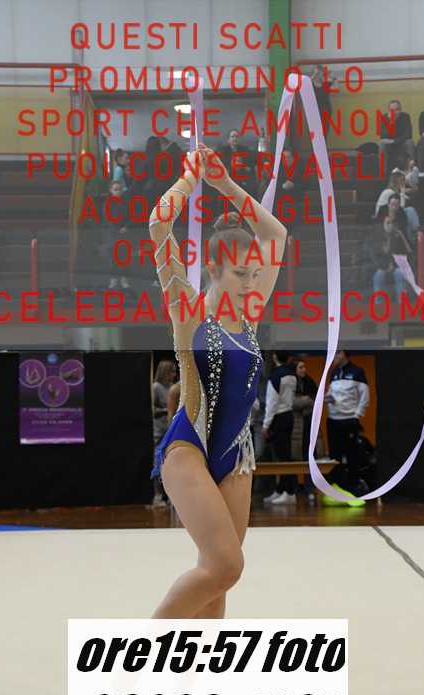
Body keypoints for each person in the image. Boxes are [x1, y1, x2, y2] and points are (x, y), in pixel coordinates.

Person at [148, 142, 287, 619]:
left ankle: (201, 663)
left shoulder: (249, 311)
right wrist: (191, 177)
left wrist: (224, 183)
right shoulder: (187, 310)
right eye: (241, 274)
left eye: (255, 274)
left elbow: (276, 233)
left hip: (236, 457)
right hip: (188, 447)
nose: (251, 283)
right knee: (226, 564)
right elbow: (158, 224)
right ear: (212, 268)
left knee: (219, 577)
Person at [325, 350, 370, 499]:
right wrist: (328, 399)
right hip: (333, 420)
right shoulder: (334, 373)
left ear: (344, 355)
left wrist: (357, 415)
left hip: (349, 420)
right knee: (335, 456)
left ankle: (354, 486)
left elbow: (365, 396)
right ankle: (337, 487)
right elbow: (331, 393)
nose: (335, 357)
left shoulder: (357, 372)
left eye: (338, 353)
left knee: (352, 454)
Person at [261, 352, 298, 505]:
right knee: (285, 454)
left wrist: (266, 425)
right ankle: (281, 489)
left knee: (282, 456)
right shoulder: (292, 375)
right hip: (289, 415)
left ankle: (289, 491)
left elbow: (272, 402)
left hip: (279, 417)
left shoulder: (276, 376)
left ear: (275, 357)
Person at [291, 357, 318, 505]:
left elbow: (315, 400)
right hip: (296, 427)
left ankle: (310, 488)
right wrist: (305, 401)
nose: (304, 370)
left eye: (305, 367)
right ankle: (294, 488)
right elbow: (291, 402)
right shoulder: (291, 382)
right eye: (300, 367)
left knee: (311, 456)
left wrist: (305, 401)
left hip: (309, 424)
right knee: (295, 456)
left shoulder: (309, 382)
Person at [152, 360, 177, 508]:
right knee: (158, 463)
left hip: (172, 431)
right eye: (171, 371)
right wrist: (167, 410)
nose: (174, 375)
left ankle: (172, 497)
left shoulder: (173, 387)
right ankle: (158, 495)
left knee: (172, 463)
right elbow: (152, 410)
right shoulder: (156, 387)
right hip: (160, 431)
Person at [378, 100, 416, 174]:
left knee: (410, 142)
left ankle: (413, 168)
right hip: (390, 146)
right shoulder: (384, 117)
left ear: (400, 110)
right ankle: (383, 172)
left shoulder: (406, 117)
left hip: (402, 144)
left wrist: (393, 141)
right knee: (382, 145)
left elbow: (408, 134)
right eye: (392, 110)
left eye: (397, 109)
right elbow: (383, 136)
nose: (394, 112)